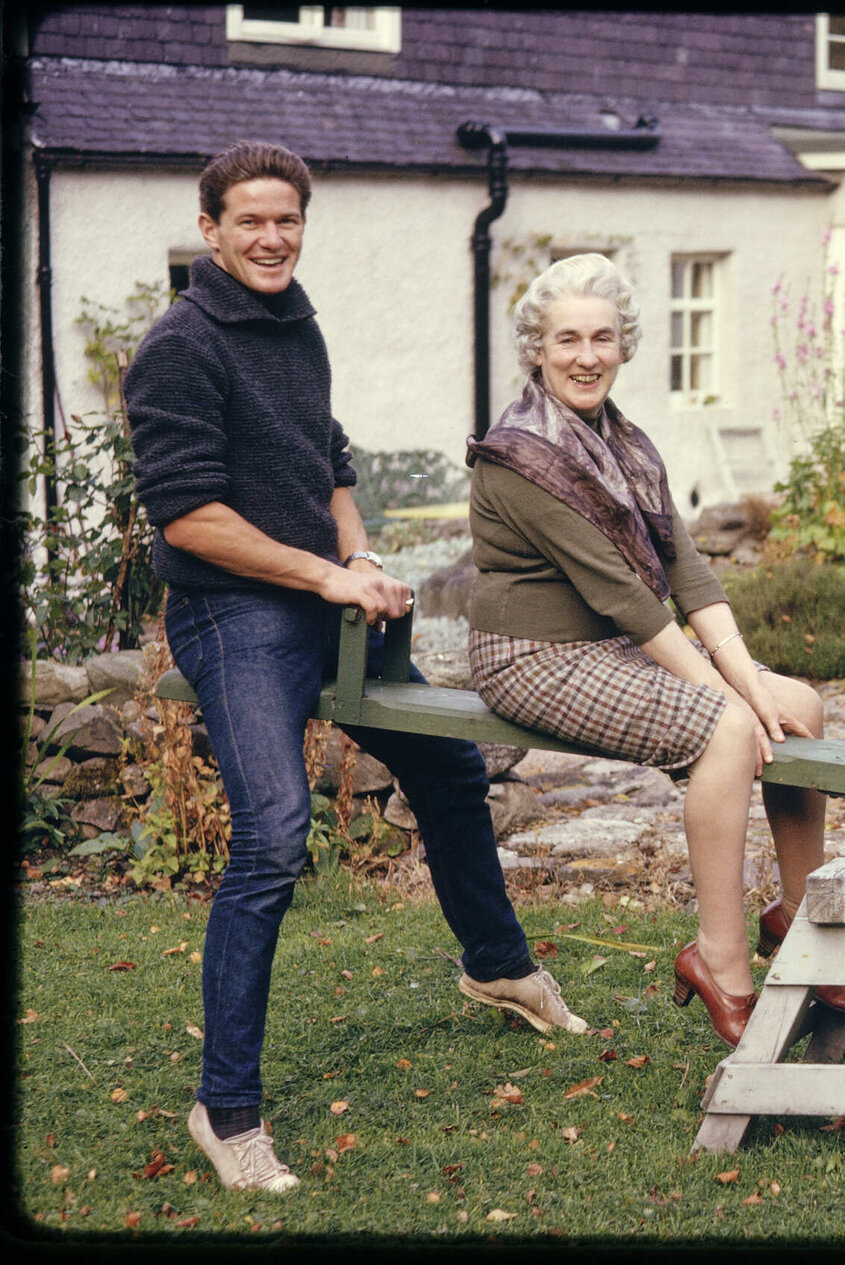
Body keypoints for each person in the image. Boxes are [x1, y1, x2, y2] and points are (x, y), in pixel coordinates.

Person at [125, 141, 583, 1196]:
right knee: (275, 834)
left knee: (450, 767)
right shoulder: (178, 347)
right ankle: (225, 1108)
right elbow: (191, 519)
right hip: (237, 616)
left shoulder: (296, 321)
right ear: (210, 229)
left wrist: (361, 554)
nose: (273, 236)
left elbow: (330, 462)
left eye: (287, 218)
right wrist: (323, 579)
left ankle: (497, 966)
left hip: (332, 602)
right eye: (250, 220)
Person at [465, 253, 845, 1051]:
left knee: (800, 705)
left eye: (602, 337)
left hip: (609, 643)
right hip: (532, 656)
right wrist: (730, 696)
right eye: (566, 339)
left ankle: (804, 919)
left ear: (624, 345)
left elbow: (682, 567)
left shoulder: (625, 443)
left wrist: (749, 675)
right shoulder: (523, 455)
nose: (586, 355)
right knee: (726, 728)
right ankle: (719, 957)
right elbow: (626, 597)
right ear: (536, 349)